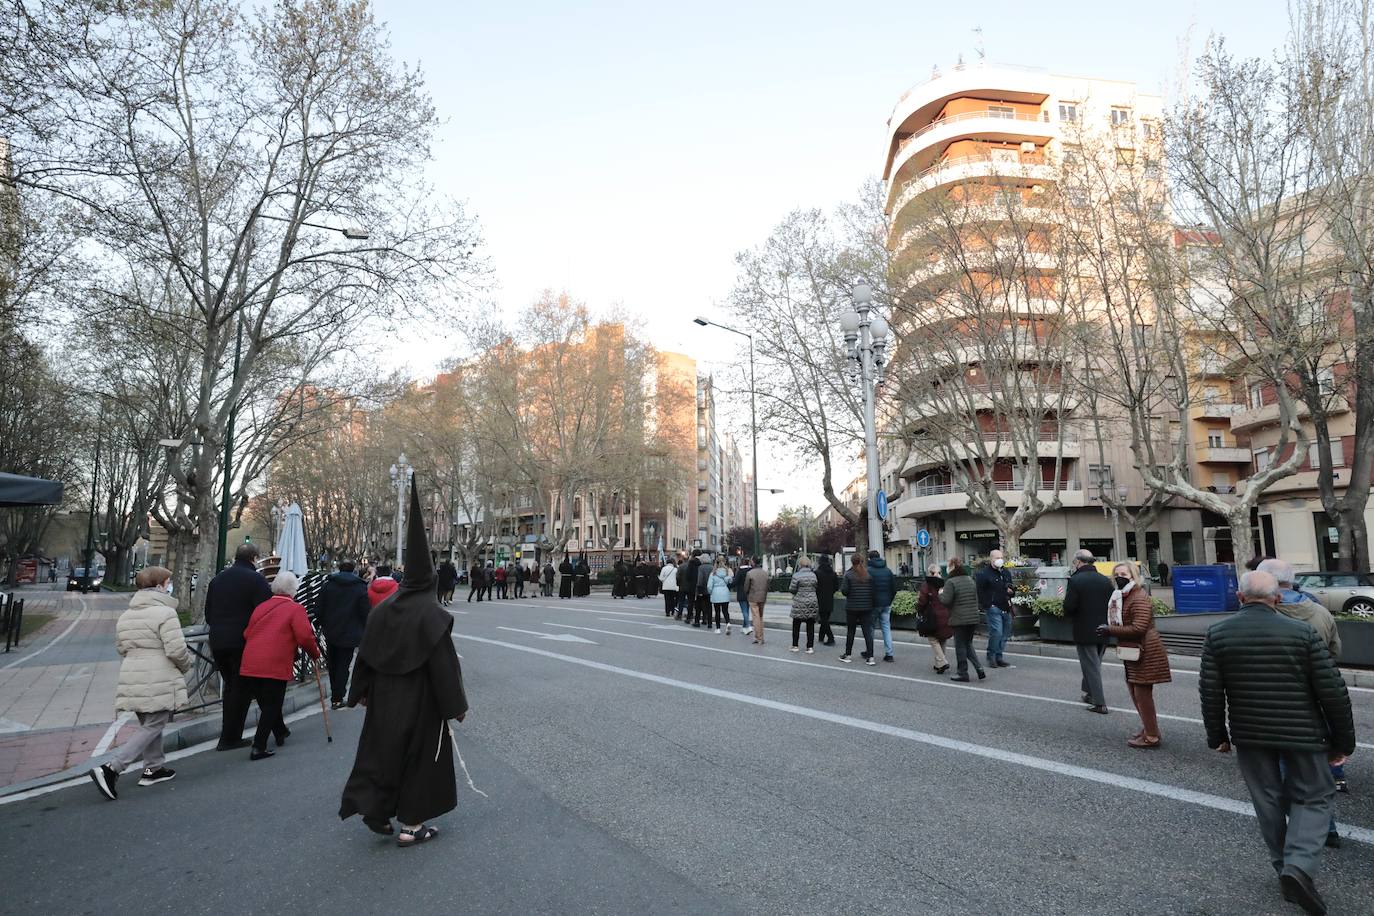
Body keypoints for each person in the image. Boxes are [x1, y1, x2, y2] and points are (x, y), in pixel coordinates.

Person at [1200, 570, 1354, 916]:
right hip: (1303, 732)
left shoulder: (1219, 634)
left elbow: (1211, 690)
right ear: (1278, 598)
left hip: (1249, 733)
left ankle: (1283, 864)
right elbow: (1333, 692)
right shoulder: (1301, 634)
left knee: (1267, 798)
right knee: (1315, 794)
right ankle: (1297, 867)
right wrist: (1343, 741)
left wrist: (1217, 736)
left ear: (1239, 598)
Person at [341, 479, 469, 847]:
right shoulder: (430, 614)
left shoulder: (382, 612)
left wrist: (360, 692)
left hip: (383, 697)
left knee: (381, 752)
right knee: (419, 758)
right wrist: (456, 706)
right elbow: (443, 665)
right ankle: (412, 825)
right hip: (420, 700)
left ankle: (377, 811)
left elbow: (365, 654)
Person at [1260, 557, 1347, 845]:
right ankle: (1328, 827)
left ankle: (1300, 831)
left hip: (1277, 701)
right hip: (1317, 696)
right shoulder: (1319, 611)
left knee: (1284, 766)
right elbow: (1334, 652)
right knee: (1314, 768)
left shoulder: (1262, 615)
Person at [89, 566, 191, 800]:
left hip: (132, 672)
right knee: (155, 722)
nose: (169, 587)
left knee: (149, 721)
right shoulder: (165, 613)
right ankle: (112, 768)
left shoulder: (127, 615)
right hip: (158, 672)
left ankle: (153, 768)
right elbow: (176, 649)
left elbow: (121, 647)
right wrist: (186, 666)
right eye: (167, 583)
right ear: (158, 586)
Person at [239, 572, 320, 760]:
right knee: (272, 704)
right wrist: (315, 654)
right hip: (275, 661)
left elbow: (247, 633)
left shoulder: (261, 607)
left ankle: (281, 731)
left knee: (266, 703)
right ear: (293, 590)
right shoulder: (295, 609)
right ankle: (258, 746)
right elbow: (305, 637)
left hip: (251, 661)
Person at [204, 542, 272, 751]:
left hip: (217, 640)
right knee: (241, 690)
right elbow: (266, 613)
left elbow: (208, 612)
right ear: (254, 558)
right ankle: (230, 738)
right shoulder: (256, 580)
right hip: (243, 641)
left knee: (232, 688)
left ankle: (230, 735)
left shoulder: (217, 580)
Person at [1100, 561, 1171, 747]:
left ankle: (1152, 735)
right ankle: (1149, 728)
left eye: (1123, 573)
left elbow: (1139, 627)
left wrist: (1110, 630)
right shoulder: (1123, 595)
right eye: (1116, 574)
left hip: (1145, 650)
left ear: (1133, 575)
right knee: (1135, 691)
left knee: (1142, 694)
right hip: (1134, 649)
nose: (1119, 577)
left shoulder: (1138, 596)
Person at [1063, 549, 1113, 715]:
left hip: (1084, 629)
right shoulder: (1105, 580)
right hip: (1104, 629)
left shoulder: (1076, 580)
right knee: (1095, 663)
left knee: (1091, 666)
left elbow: (1069, 606)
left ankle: (1099, 703)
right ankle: (1089, 692)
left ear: (1078, 561)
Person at [317, 560, 371, 709]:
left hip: (331, 631)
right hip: (350, 632)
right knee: (343, 665)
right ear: (353, 570)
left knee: (333, 664)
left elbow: (318, 609)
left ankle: (336, 694)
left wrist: (325, 624)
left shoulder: (328, 585)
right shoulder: (360, 587)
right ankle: (338, 697)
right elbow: (365, 611)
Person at [939, 557, 985, 682]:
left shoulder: (951, 582)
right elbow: (976, 598)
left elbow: (946, 601)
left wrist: (940, 594)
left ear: (952, 566)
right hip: (973, 617)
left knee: (960, 646)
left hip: (959, 618)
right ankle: (979, 668)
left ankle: (962, 673)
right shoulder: (970, 580)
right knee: (968, 644)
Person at [975, 549, 1014, 668]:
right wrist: (987, 604)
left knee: (1005, 633)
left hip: (1005, 606)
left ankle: (999, 656)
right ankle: (991, 656)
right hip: (993, 607)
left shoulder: (1005, 572)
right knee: (996, 632)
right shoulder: (984, 574)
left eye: (1001, 557)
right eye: (997, 558)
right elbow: (980, 591)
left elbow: (1011, 588)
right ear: (991, 559)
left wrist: (1011, 591)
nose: (999, 560)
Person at [839, 553, 875, 665]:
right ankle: (870, 657)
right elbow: (872, 591)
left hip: (852, 607)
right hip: (867, 607)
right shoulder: (868, 575)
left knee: (851, 631)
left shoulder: (848, 575)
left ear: (852, 562)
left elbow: (844, 591)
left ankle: (848, 654)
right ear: (862, 561)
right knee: (867, 632)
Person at [916, 565, 953, 673]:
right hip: (945, 613)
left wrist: (918, 609)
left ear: (929, 573)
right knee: (942, 638)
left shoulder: (926, 585)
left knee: (933, 638)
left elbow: (922, 601)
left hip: (932, 615)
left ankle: (942, 661)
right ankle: (939, 664)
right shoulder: (945, 584)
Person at [867, 550, 897, 663]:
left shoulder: (868, 571)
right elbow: (894, 588)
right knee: (886, 627)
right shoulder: (888, 571)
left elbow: (867, 589)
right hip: (886, 603)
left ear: (870, 559)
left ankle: (869, 652)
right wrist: (889, 600)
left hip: (873, 604)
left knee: (870, 628)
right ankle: (889, 654)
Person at [788, 556, 819, 653]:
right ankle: (810, 647)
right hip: (812, 601)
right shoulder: (814, 575)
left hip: (799, 602)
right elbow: (816, 586)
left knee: (796, 624)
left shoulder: (796, 575)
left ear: (800, 564)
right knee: (810, 625)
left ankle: (795, 645)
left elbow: (792, 589)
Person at [744, 557, 770, 644]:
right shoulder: (765, 573)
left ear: (753, 563)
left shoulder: (750, 573)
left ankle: (758, 637)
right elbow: (767, 585)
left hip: (753, 597)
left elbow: (746, 587)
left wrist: (747, 594)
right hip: (763, 597)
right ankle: (761, 636)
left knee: (756, 617)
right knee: (761, 617)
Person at [815, 556, 837, 647]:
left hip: (820, 598)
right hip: (829, 598)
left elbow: (815, 586)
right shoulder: (833, 573)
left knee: (823, 619)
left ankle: (831, 638)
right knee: (825, 618)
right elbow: (836, 587)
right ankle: (821, 636)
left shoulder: (817, 573)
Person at [708, 557, 733, 634]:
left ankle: (718, 628)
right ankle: (728, 623)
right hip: (725, 593)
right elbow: (730, 581)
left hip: (716, 593)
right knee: (725, 611)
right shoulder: (726, 572)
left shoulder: (713, 573)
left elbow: (709, 586)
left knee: (717, 611)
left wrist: (710, 592)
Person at [732, 554, 751, 634]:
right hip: (750, 593)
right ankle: (744, 627)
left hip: (741, 592)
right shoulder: (751, 570)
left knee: (744, 610)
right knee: (747, 610)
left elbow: (735, 582)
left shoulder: (740, 571)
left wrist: (729, 585)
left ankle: (748, 626)